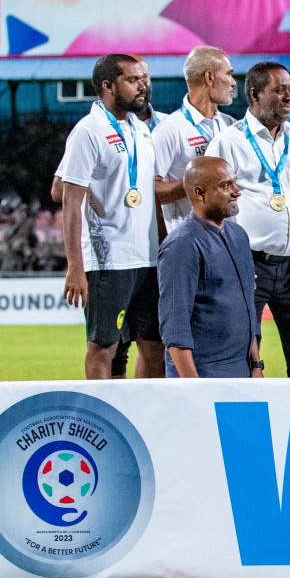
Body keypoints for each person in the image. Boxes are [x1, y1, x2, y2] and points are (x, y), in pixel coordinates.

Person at [206, 61, 290, 378]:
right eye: (280, 91)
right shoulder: (227, 141)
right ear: (255, 94)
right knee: (245, 358)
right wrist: (230, 262)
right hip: (248, 264)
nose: (288, 98)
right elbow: (216, 209)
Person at [59, 54, 165, 380]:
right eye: (133, 80)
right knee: (104, 347)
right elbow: (68, 201)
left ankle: (144, 422)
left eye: (143, 79)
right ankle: (105, 425)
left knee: (154, 347)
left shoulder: (142, 129)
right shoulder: (88, 132)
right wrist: (76, 266)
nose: (142, 86)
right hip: (108, 262)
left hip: (147, 259)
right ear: (108, 86)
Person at [157, 157, 261, 378]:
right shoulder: (182, 245)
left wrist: (256, 365)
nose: (236, 191)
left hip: (243, 374)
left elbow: (248, 308)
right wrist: (195, 388)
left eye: (234, 183)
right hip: (205, 376)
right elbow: (175, 327)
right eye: (225, 185)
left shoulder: (239, 235)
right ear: (199, 193)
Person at [152, 46, 236, 235]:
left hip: (229, 234)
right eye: (229, 74)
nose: (233, 82)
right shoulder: (169, 130)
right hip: (191, 238)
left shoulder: (231, 126)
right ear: (209, 77)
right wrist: (197, 181)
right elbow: (153, 190)